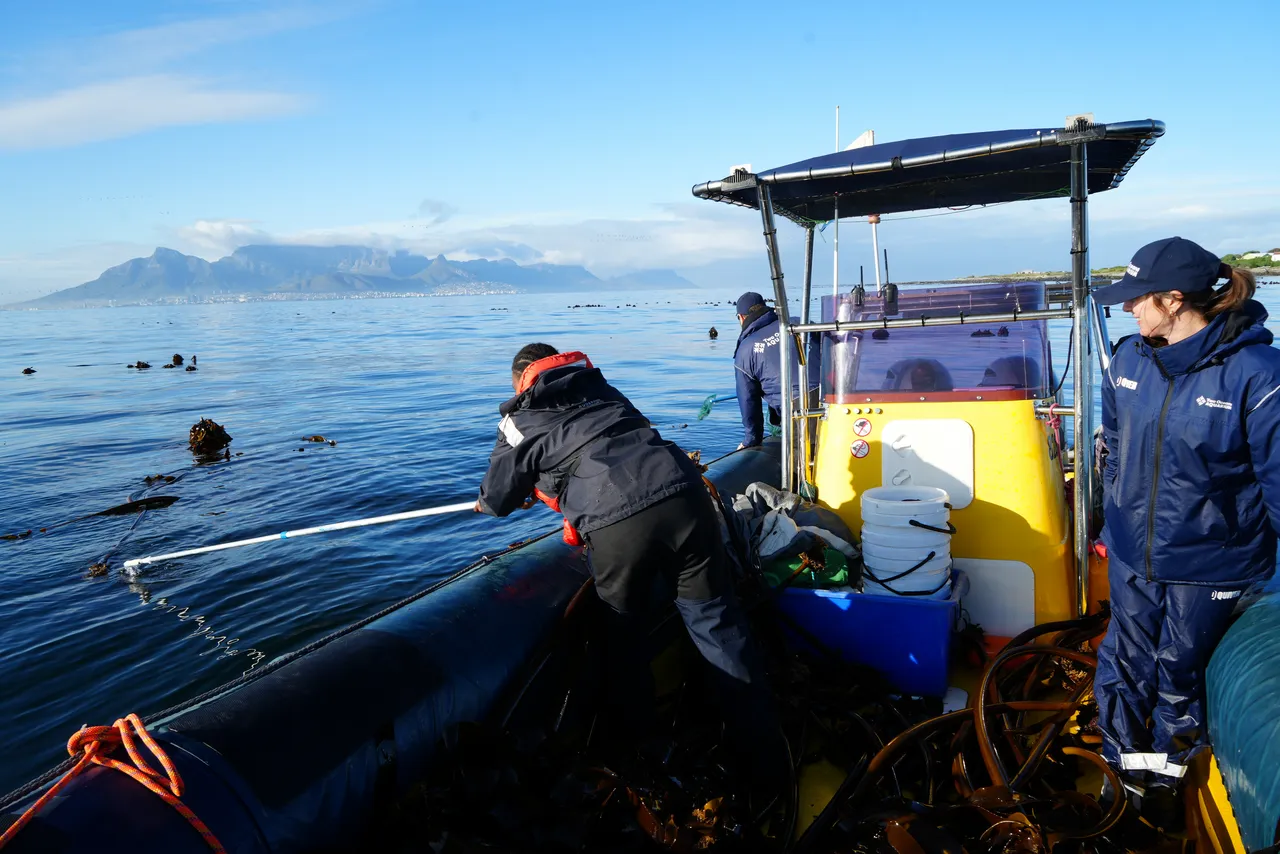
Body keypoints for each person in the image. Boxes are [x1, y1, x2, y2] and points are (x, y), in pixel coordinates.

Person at [475, 343, 783, 788]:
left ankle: (643, 758)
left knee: (623, 639)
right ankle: (764, 761)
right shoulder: (602, 389)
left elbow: (497, 498)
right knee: (719, 627)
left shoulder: (518, 419)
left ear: (521, 380)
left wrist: (489, 502)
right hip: (687, 496)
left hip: (619, 524)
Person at [1092, 236, 1280, 822]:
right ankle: (1119, 775)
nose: (1128, 309)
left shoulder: (1259, 375)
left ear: (1175, 300)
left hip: (1212, 566)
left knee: (1179, 673)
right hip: (1130, 555)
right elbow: (1116, 449)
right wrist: (1113, 519)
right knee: (1123, 664)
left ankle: (1170, 787)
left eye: (1138, 299)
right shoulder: (1127, 359)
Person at [733, 290, 817, 450]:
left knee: (802, 467)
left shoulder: (745, 350)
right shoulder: (799, 323)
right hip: (833, 400)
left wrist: (750, 441)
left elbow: (749, 400)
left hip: (798, 415)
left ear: (741, 317)